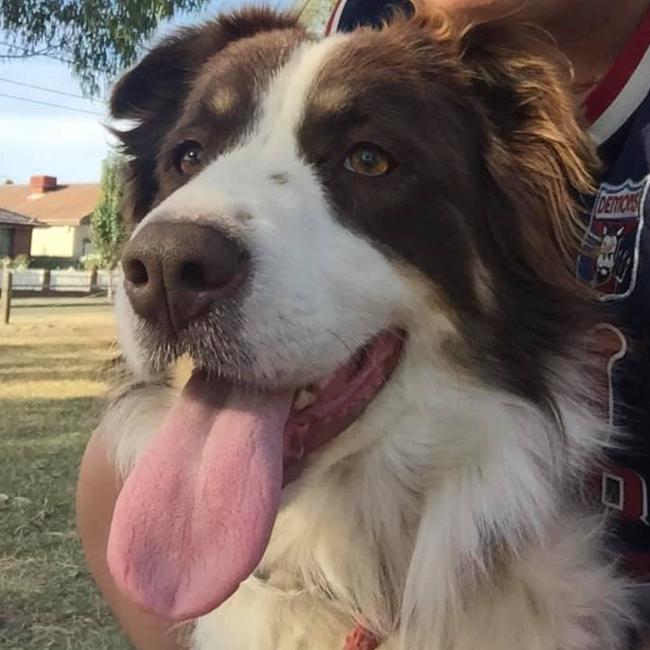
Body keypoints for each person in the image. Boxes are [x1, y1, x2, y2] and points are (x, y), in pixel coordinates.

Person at [76, 0, 650, 648]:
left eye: (368, 159)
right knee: (104, 470)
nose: (177, 247)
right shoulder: (362, 20)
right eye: (188, 157)